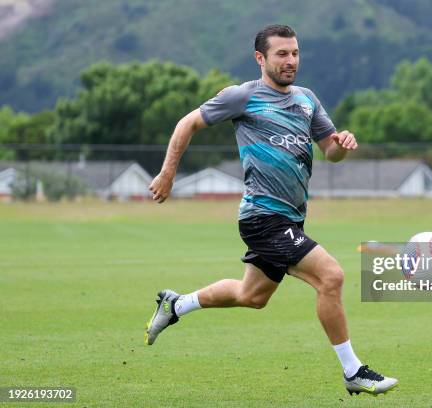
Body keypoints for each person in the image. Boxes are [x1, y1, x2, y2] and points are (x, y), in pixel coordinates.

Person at [145, 24, 397, 396]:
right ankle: (353, 371)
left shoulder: (307, 99)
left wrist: (343, 143)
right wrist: (168, 174)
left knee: (252, 296)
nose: (290, 61)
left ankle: (177, 304)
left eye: (294, 53)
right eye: (281, 54)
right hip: (263, 217)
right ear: (261, 58)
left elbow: (330, 152)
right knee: (331, 276)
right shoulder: (242, 97)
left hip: (290, 218)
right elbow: (188, 123)